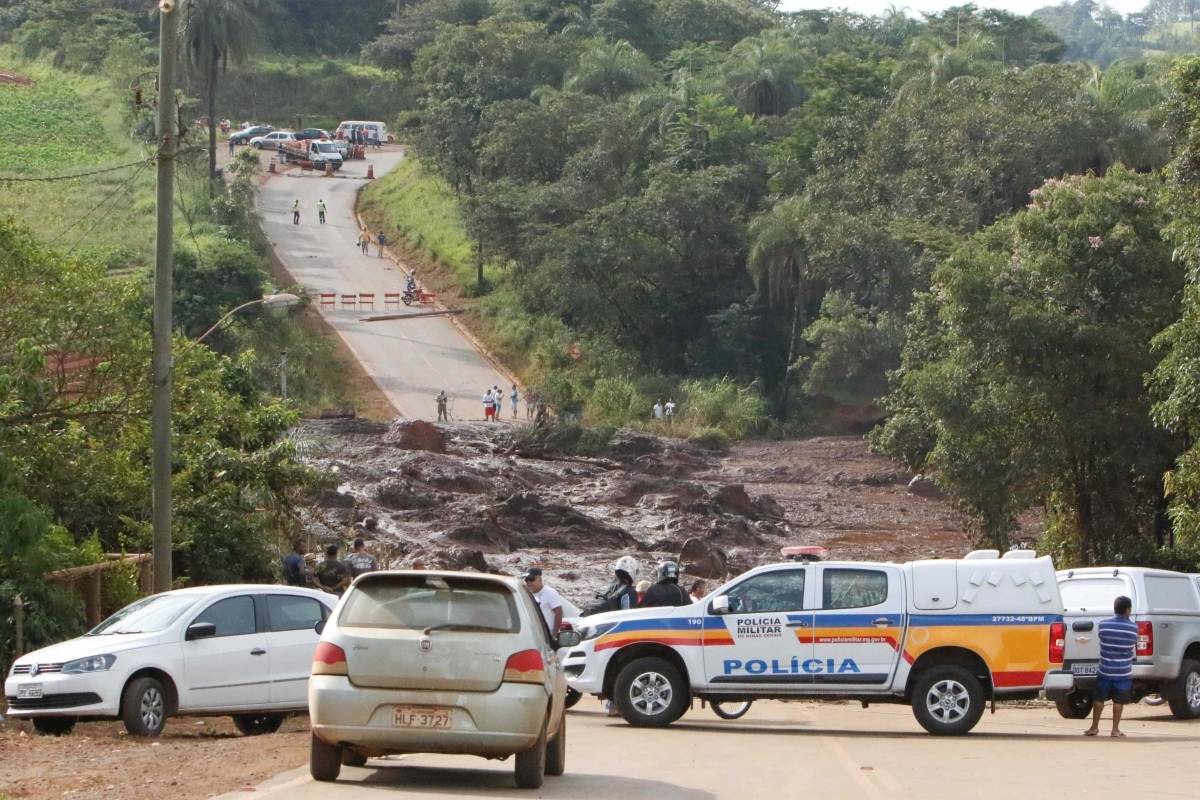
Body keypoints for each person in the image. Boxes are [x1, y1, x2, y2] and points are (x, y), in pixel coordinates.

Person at [1085, 595, 1139, 737]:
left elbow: (1101, 638)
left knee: (1098, 699)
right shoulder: (1133, 628)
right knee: (1118, 701)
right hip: (1123, 673)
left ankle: (1094, 727)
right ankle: (1115, 730)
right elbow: (1133, 644)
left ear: (1115, 608)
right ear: (1128, 610)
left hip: (1105, 670)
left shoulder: (1103, 625)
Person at [523, 567, 564, 638]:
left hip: (548, 635)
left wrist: (554, 635)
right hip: (534, 635)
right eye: (526, 580)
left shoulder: (549, 592)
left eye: (531, 579)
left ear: (539, 579)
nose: (529, 582)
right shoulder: (528, 594)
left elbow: (559, 612)